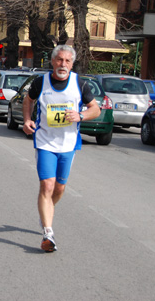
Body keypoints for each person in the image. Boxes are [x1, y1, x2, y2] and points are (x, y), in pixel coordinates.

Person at [22, 44, 100, 253]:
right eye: (59, 60)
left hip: (68, 144)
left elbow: (96, 109)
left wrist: (81, 115)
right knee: (47, 185)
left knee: (59, 189)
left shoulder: (80, 84)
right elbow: (27, 101)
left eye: (67, 61)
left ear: (72, 64)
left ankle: (47, 210)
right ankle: (48, 232)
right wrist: (27, 120)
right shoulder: (41, 82)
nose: (62, 64)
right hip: (45, 142)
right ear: (52, 61)